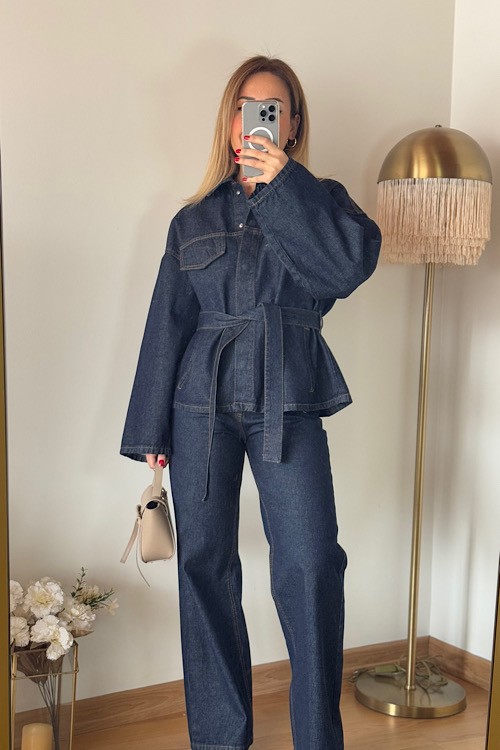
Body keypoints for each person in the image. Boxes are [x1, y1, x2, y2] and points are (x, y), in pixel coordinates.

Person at [121, 55, 381, 750]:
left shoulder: (322, 199)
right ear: (230, 122)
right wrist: (151, 428)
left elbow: (348, 266)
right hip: (198, 405)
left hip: (287, 395)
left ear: (291, 124)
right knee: (204, 567)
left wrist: (282, 186)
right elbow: (168, 322)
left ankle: (317, 738)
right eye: (243, 107)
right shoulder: (192, 220)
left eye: (270, 109)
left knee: (311, 563)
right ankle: (219, 739)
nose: (254, 121)